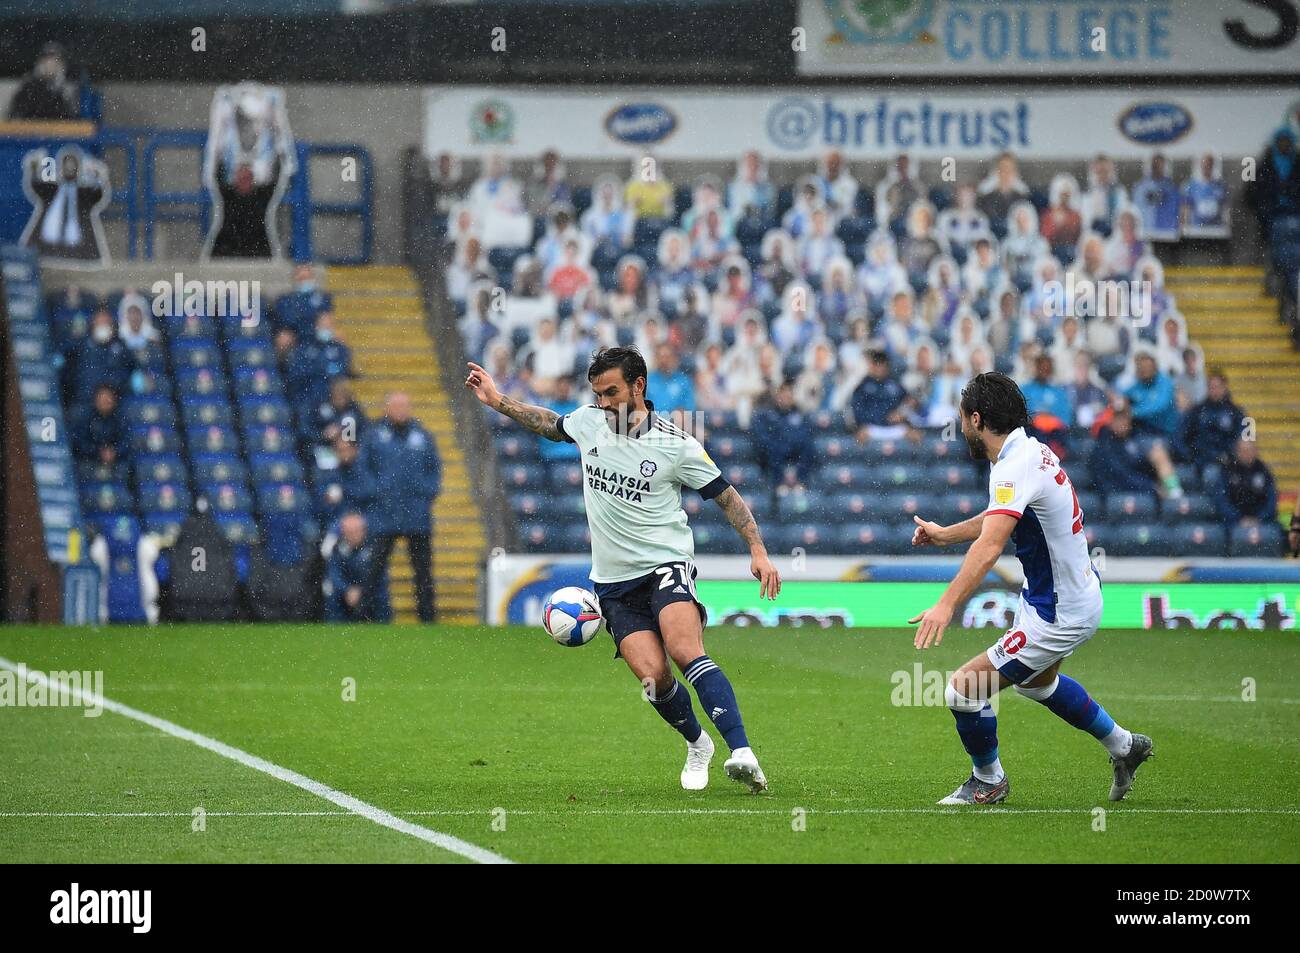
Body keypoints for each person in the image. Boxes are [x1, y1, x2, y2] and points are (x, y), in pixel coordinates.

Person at [465, 346, 781, 793]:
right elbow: (550, 424)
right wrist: (499, 401)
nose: (604, 402)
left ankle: (742, 751)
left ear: (639, 386)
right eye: (597, 393)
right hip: (613, 583)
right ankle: (697, 744)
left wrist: (758, 550)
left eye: (611, 392)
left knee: (683, 647)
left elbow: (727, 496)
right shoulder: (590, 422)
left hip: (665, 565)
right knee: (654, 676)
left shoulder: (676, 444)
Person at [909, 373, 1152, 805]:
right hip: (1061, 596)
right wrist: (946, 535)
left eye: (963, 418)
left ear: (978, 419)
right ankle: (1124, 745)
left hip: (1060, 611)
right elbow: (1000, 516)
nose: (961, 427)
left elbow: (991, 546)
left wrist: (946, 605)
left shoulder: (1013, 464)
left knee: (962, 691)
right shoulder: (1026, 450)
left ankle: (988, 780)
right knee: (1037, 684)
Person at [358, 392, 442, 623]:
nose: (401, 410)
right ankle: (362, 618)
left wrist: (425, 495)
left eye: (404, 406)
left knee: (423, 573)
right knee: (374, 570)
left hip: (416, 516)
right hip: (384, 515)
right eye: (396, 406)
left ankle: (428, 620)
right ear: (388, 408)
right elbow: (363, 468)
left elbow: (434, 470)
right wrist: (377, 494)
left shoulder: (423, 436)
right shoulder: (374, 435)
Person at [324, 511, 390, 623]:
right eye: (348, 532)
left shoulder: (375, 548)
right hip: (346, 593)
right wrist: (347, 590)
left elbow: (380, 576)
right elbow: (334, 573)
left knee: (382, 598)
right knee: (332, 598)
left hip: (370, 592)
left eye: (355, 531)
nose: (352, 535)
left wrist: (363, 592)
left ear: (363, 531)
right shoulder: (337, 548)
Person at [753, 380, 815, 489]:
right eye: (783, 394)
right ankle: (778, 485)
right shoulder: (766, 414)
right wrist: (782, 444)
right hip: (773, 456)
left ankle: (800, 482)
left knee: (808, 448)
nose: (786, 398)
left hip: (795, 454)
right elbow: (762, 439)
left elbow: (804, 437)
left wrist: (787, 443)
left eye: (789, 395)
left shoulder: (800, 415)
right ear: (777, 395)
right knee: (774, 450)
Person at [1180, 372, 1245, 470]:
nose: (1214, 391)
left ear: (1225, 387)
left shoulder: (1235, 413)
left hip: (1226, 465)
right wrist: (1190, 455)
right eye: (1211, 387)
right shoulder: (1198, 411)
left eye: (1217, 387)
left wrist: (1228, 455)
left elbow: (1242, 440)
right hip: (1199, 462)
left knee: (1211, 475)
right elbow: (1183, 436)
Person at [1216, 439, 1278, 531]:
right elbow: (1221, 500)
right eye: (1243, 451)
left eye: (1250, 450)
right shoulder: (1228, 470)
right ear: (1237, 452)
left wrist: (1259, 518)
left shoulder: (1263, 470)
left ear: (1256, 451)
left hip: (1262, 521)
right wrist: (1238, 518)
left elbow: (1271, 500)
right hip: (1233, 521)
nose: (1246, 454)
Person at [7, 42, 76, 120]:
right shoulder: (28, 88)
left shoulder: (66, 91)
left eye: (56, 60)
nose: (50, 64)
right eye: (47, 59)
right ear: (40, 62)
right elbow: (17, 116)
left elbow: (71, 119)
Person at [72, 384, 127, 465]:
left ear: (114, 400)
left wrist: (114, 452)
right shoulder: (86, 418)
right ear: (96, 400)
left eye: (108, 398)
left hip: (116, 461)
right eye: (102, 398)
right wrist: (99, 452)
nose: (105, 402)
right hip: (91, 460)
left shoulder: (120, 418)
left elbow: (126, 442)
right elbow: (80, 443)